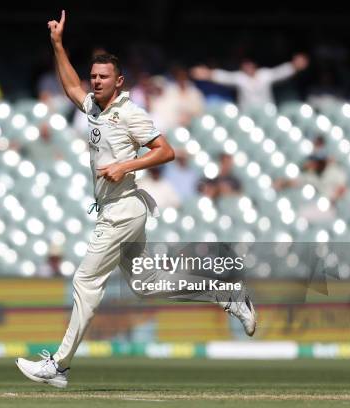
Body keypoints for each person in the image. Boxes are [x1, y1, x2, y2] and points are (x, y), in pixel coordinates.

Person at [15, 11, 256, 389]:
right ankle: (227, 294)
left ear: (119, 81)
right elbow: (69, 88)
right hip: (115, 209)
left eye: (103, 77)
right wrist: (58, 45)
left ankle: (58, 366)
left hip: (123, 208)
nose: (95, 81)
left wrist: (125, 164)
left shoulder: (130, 114)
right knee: (147, 284)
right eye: (93, 76)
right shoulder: (95, 107)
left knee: (85, 280)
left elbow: (166, 151)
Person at [190, 54, 309, 110]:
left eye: (250, 64)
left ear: (255, 65)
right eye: (245, 65)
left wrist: (295, 66)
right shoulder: (240, 77)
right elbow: (224, 76)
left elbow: (280, 72)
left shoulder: (265, 74)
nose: (247, 67)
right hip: (247, 114)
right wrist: (207, 73)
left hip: (266, 112)